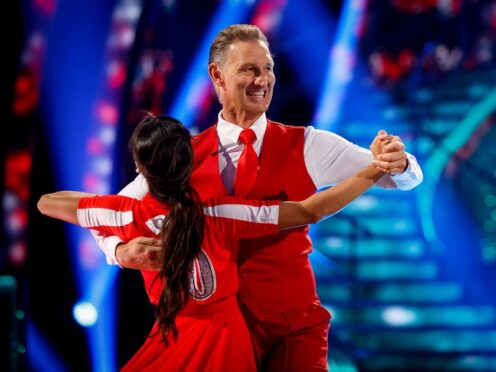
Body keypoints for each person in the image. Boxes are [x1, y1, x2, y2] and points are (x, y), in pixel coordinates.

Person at [96, 25, 423, 370]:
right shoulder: (181, 157)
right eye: (249, 69)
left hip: (294, 332)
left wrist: (399, 161)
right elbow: (104, 218)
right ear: (217, 76)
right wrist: (119, 251)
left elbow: (401, 177)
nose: (262, 79)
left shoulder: (308, 144)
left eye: (267, 68)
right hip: (218, 334)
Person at [38, 114, 388, 371]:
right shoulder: (220, 214)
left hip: (170, 341)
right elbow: (312, 210)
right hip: (226, 341)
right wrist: (372, 170)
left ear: (139, 167)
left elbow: (49, 203)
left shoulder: (125, 214)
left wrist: (103, 212)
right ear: (190, 163)